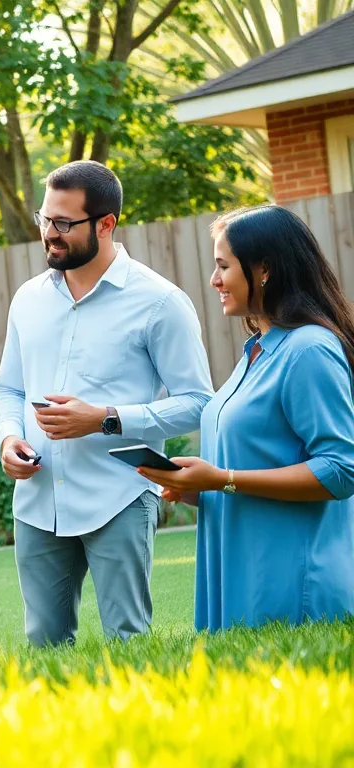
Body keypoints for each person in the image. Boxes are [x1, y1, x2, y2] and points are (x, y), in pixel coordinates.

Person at [0, 160, 214, 647]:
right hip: (37, 501)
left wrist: (105, 419)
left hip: (119, 497)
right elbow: (8, 389)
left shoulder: (160, 302)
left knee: (128, 643)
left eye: (64, 224)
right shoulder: (27, 299)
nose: (49, 234)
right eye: (44, 219)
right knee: (45, 647)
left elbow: (198, 402)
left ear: (107, 223)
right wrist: (7, 438)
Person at [140, 205, 354, 631]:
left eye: (223, 266)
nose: (214, 280)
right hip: (238, 578)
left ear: (264, 270)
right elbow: (252, 470)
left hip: (293, 589)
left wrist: (222, 479)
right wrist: (194, 488)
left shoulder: (308, 351)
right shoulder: (257, 353)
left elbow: (340, 470)